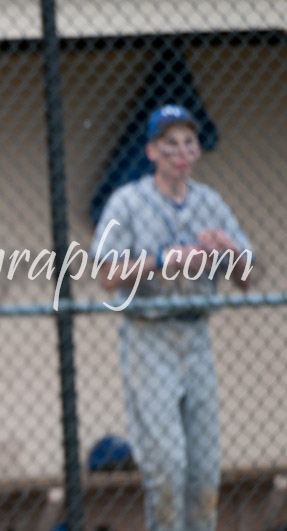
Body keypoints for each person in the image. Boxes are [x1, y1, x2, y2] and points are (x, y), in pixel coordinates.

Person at [90, 104, 254, 531]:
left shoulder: (210, 203)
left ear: (197, 150)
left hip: (196, 335)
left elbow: (246, 278)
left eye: (188, 142)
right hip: (150, 335)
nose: (181, 151)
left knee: (204, 471)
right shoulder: (127, 202)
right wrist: (161, 260)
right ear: (151, 151)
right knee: (168, 468)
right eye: (169, 143)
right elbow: (106, 275)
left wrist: (229, 251)